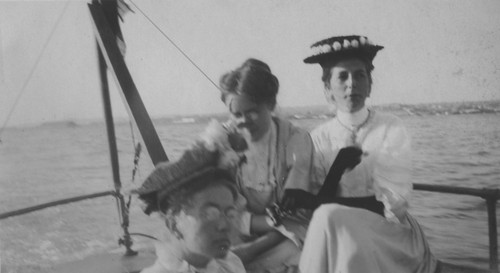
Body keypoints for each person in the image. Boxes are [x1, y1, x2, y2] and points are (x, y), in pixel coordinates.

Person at [296, 35, 438, 273]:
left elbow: (394, 206)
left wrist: (331, 206)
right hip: (335, 228)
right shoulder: (317, 137)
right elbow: (316, 205)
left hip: (391, 232)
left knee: (328, 216)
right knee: (328, 218)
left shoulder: (390, 127)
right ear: (328, 88)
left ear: (370, 84)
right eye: (342, 76)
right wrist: (336, 170)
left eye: (360, 75)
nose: (352, 84)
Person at [218, 58, 314, 273]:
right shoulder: (225, 144)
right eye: (236, 114)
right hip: (241, 234)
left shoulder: (296, 140)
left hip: (287, 237)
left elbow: (298, 214)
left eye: (252, 111)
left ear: (270, 104)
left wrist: (253, 249)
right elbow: (225, 211)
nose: (244, 120)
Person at [131, 143, 246, 273]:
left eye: (230, 214)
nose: (224, 225)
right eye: (210, 214)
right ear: (173, 224)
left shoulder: (231, 265)